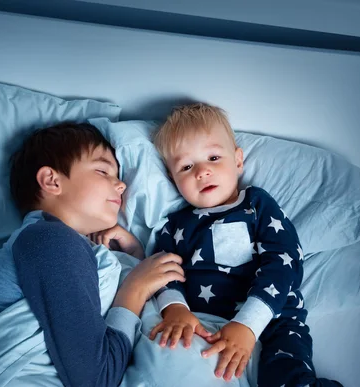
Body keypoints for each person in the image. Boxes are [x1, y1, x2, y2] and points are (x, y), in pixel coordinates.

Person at [0, 122, 185, 387]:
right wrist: (134, 289)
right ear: (52, 180)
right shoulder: (48, 240)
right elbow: (96, 378)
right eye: (103, 171)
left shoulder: (60, 244)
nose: (122, 185)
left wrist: (132, 258)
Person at [142, 103, 341, 386]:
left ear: (238, 161)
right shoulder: (175, 224)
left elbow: (284, 262)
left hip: (272, 322)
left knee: (290, 379)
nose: (202, 171)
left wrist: (248, 325)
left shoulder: (256, 205)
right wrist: (175, 308)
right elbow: (162, 271)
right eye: (186, 166)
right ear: (173, 179)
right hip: (204, 323)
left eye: (213, 157)